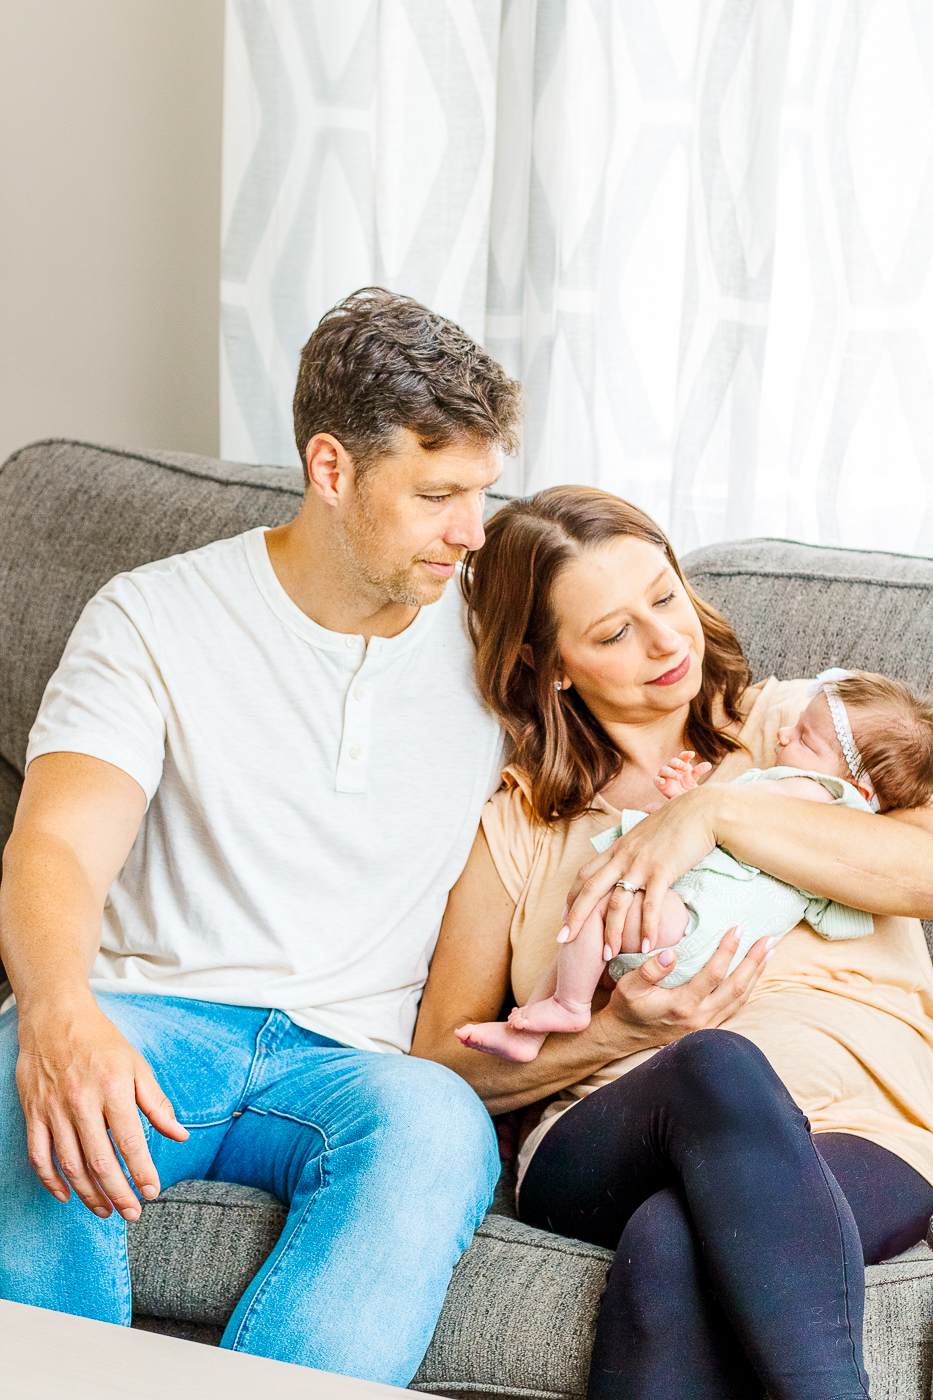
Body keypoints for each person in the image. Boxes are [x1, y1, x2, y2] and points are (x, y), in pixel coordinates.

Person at [0, 288, 528, 1384]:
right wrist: (57, 1011)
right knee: (16, 1067)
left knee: (440, 1125)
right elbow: (55, 843)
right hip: (156, 1022)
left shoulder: (502, 634)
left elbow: (681, 707)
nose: (471, 532)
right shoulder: (154, 615)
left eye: (482, 491)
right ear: (330, 469)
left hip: (354, 1064)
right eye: (437, 495)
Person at [412, 486, 933, 1400]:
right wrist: (617, 1032)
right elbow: (438, 1066)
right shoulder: (524, 825)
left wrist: (714, 810)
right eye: (612, 633)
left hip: (870, 1125)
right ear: (551, 666)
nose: (664, 642)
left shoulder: (800, 726)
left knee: (669, 1243)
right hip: (608, 1133)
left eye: (663, 595)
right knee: (713, 1063)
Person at [458, 669, 933, 1059]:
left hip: (695, 927)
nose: (784, 733)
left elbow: (728, 814)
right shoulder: (827, 808)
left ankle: (564, 1007)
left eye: (805, 739)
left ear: (863, 790)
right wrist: (691, 803)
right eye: (613, 635)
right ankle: (542, 1022)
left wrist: (697, 802)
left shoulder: (813, 790)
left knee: (593, 906)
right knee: (586, 929)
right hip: (703, 944)